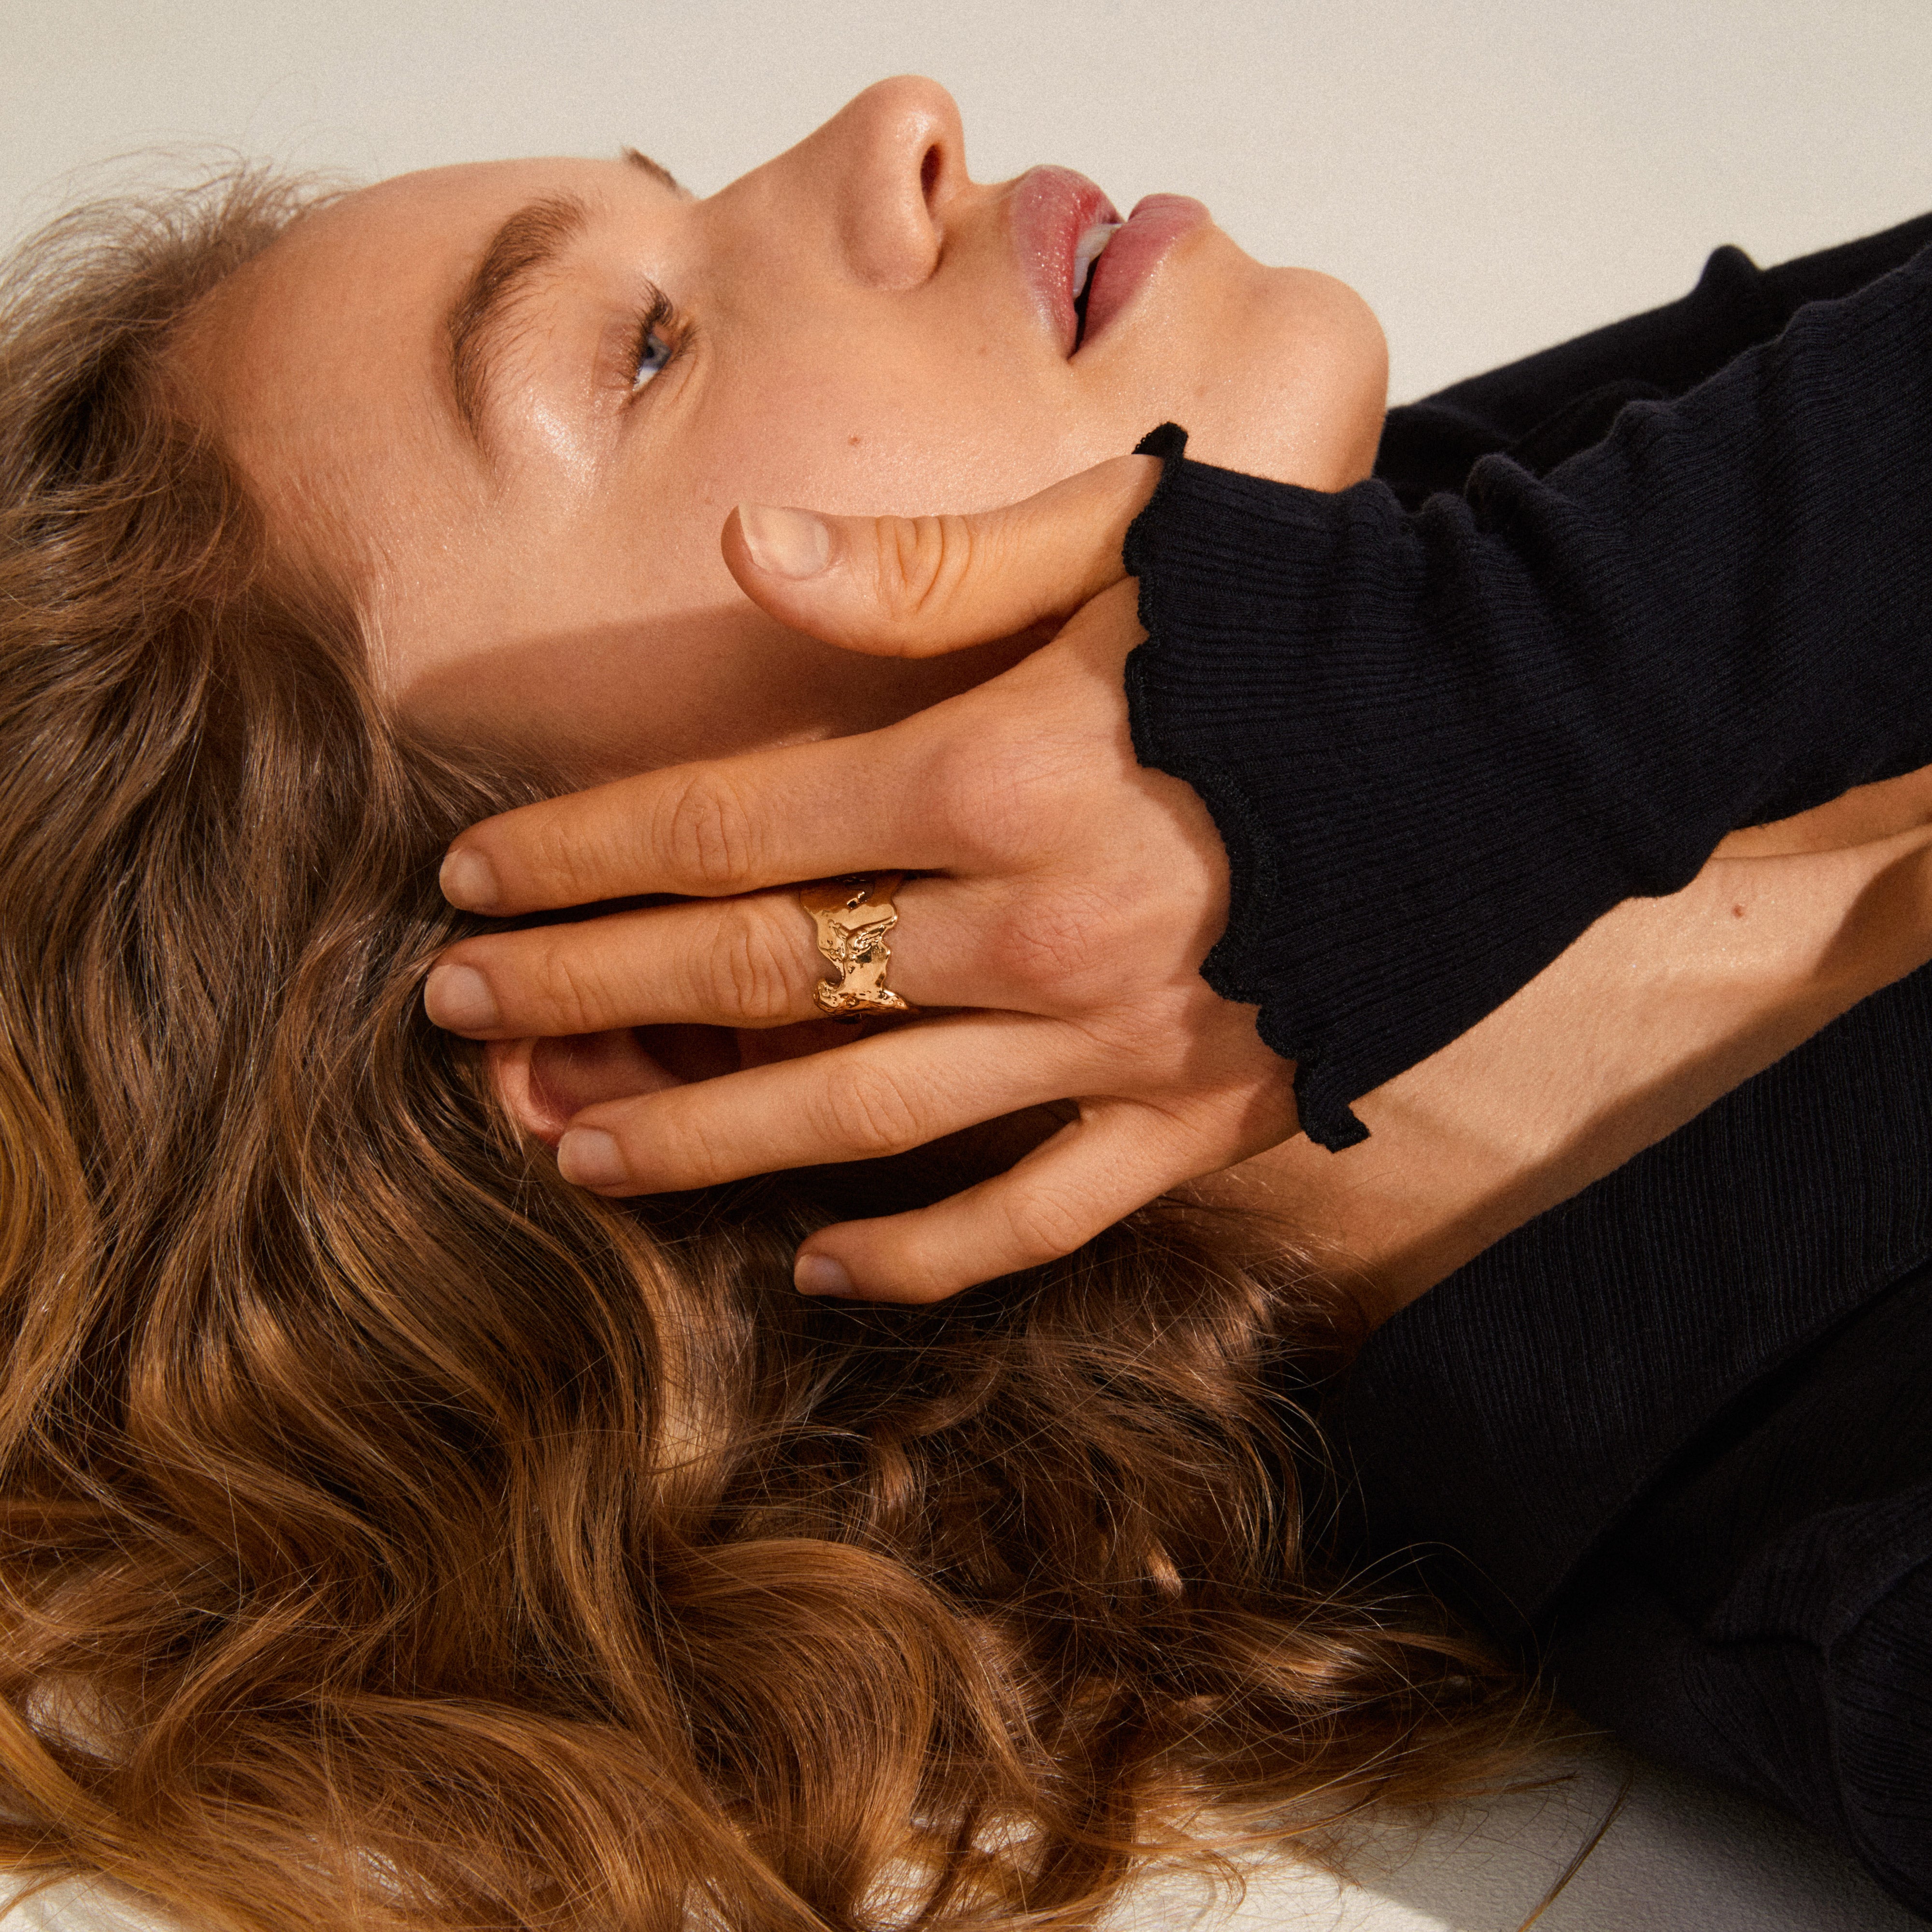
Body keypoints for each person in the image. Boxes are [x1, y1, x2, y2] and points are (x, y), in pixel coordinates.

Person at [0, 71, 1923, 1930]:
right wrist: (1534, 688)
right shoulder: (1870, 1577)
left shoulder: (1546, 554)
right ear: (660, 1023)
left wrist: (1525, 683)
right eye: (645, 348)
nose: (893, 121)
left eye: (683, 181)